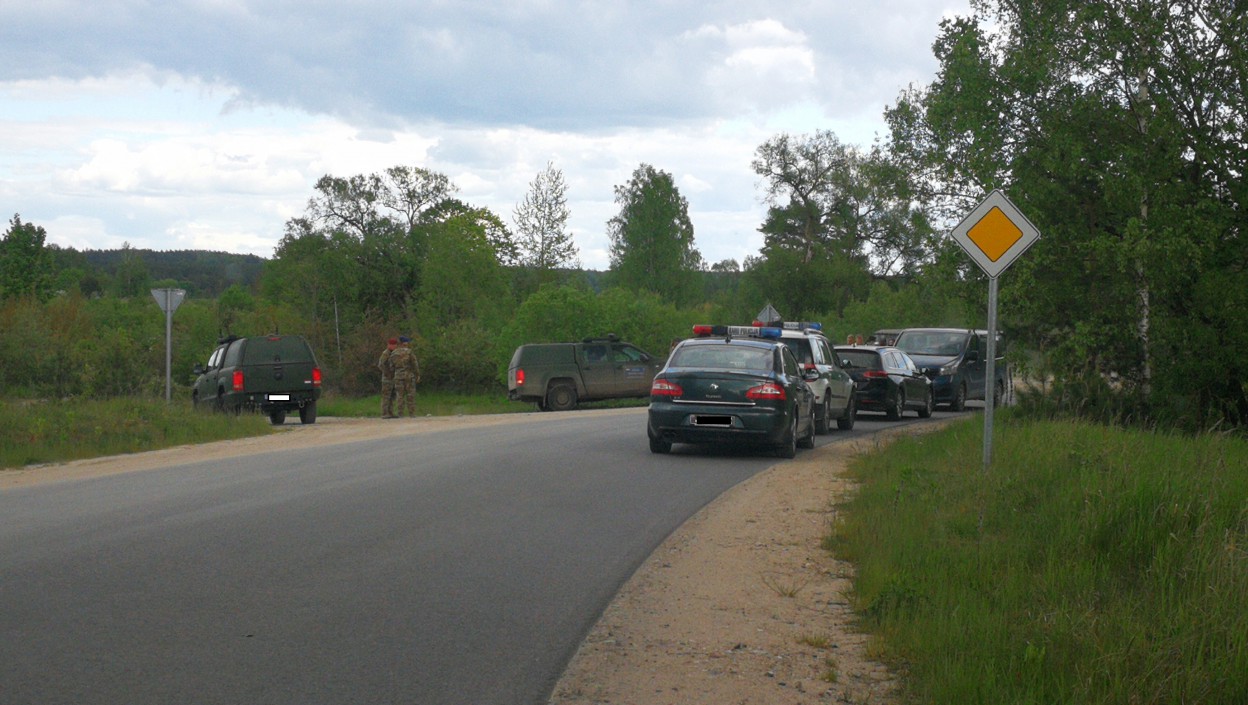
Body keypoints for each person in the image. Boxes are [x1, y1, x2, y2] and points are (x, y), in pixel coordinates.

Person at [390, 335, 421, 417]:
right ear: (404, 343)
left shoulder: (394, 353)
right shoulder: (409, 352)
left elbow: (391, 366)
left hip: (398, 376)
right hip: (409, 376)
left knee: (400, 395)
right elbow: (414, 364)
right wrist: (417, 374)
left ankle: (400, 413)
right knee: (410, 395)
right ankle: (412, 413)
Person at [377, 337, 398, 418]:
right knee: (386, 396)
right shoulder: (386, 353)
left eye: (395, 345)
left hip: (394, 378)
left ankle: (391, 412)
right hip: (387, 379)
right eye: (392, 345)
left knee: (392, 396)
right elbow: (381, 364)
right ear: (388, 345)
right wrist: (387, 373)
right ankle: (384, 412)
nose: (393, 346)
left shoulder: (395, 353)